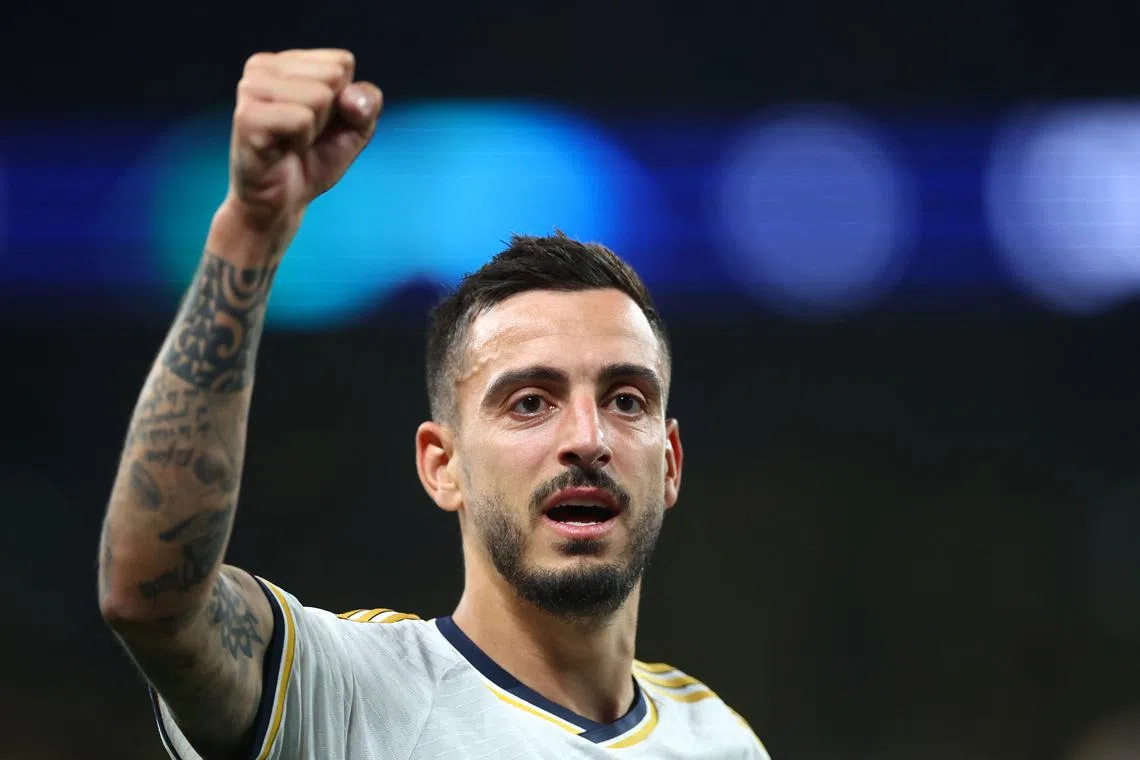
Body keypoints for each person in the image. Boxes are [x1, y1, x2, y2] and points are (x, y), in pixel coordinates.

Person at [96, 48, 770, 759]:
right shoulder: (345, 692)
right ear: (441, 465)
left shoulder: (717, 739)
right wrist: (250, 231)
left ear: (670, 465)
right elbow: (157, 600)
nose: (586, 436)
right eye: (530, 401)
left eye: (626, 399)